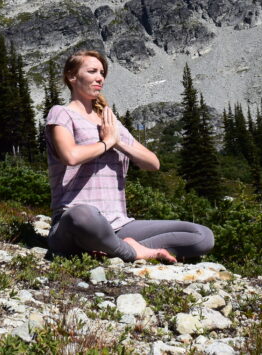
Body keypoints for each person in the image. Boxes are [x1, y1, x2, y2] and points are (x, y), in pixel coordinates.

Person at [45, 50, 214, 262]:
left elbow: (153, 163)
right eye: (92, 71)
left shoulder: (110, 123)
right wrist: (107, 143)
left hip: (118, 225)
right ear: (72, 76)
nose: (100, 77)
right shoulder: (61, 113)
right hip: (73, 224)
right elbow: (70, 156)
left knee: (202, 236)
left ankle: (114, 248)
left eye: (102, 72)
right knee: (83, 214)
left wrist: (118, 141)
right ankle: (132, 252)